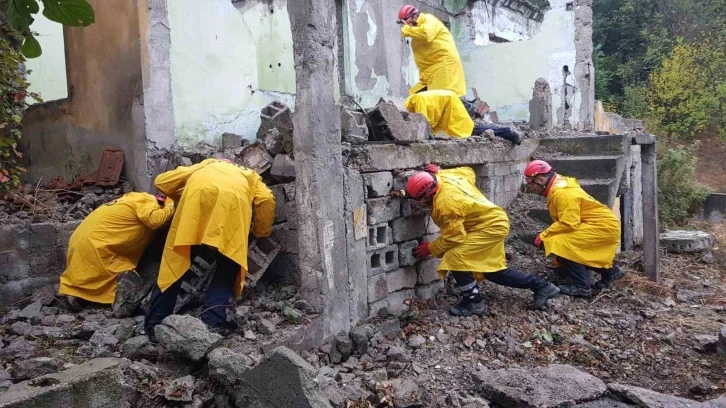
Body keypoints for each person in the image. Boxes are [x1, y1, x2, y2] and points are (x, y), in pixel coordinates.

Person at [400, 165, 560, 316]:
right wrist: (439, 170)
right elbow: (468, 171)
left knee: (455, 256)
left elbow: (454, 237)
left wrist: (431, 248)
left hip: (489, 227)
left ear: (429, 195)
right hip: (494, 220)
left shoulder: (445, 204)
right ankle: (542, 286)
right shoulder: (446, 175)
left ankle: (473, 301)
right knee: (492, 271)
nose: (416, 203)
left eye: (418, 200)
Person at [144, 158, 275, 337]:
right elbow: (266, 198)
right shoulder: (250, 175)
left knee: (175, 263)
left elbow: (162, 181)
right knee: (228, 266)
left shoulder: (207, 165)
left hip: (195, 208)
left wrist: (185, 192)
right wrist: (261, 231)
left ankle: (154, 326)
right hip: (230, 213)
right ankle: (211, 323)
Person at [522, 160, 624, 298]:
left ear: (540, 179)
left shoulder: (562, 193)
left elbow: (569, 223)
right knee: (561, 243)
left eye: (531, 184)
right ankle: (610, 272)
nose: (530, 188)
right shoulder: (558, 186)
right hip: (601, 225)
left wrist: (543, 235)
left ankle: (581, 287)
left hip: (602, 227)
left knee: (558, 243)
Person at [59, 193, 175, 306]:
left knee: (87, 273)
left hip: (85, 240)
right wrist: (171, 204)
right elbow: (156, 220)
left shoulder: (132, 199)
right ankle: (121, 304)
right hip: (98, 244)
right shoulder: (147, 201)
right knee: (122, 279)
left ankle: (76, 293)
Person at [404, 89, 522, 144]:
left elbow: (425, 122)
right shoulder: (416, 100)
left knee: (471, 131)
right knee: (471, 129)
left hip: (452, 108)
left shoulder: (416, 101)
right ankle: (505, 130)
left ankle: (507, 131)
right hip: (450, 105)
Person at [398, 5, 466, 98]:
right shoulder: (416, 35)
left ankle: (470, 109)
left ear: (414, 16)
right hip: (431, 74)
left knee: (443, 100)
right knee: (414, 97)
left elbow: (427, 34)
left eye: (406, 20)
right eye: (402, 22)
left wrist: (408, 29)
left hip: (444, 67)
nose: (405, 24)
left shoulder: (428, 19)